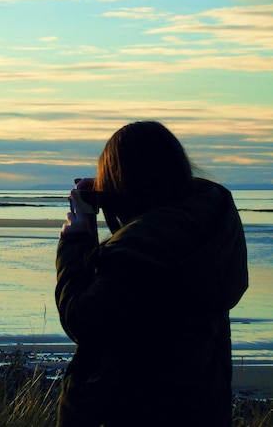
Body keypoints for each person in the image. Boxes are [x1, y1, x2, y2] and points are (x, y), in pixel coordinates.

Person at [55, 121, 248, 427]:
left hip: (130, 410)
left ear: (124, 184)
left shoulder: (139, 255)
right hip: (201, 408)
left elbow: (83, 320)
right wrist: (110, 191)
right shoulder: (206, 233)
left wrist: (76, 241)